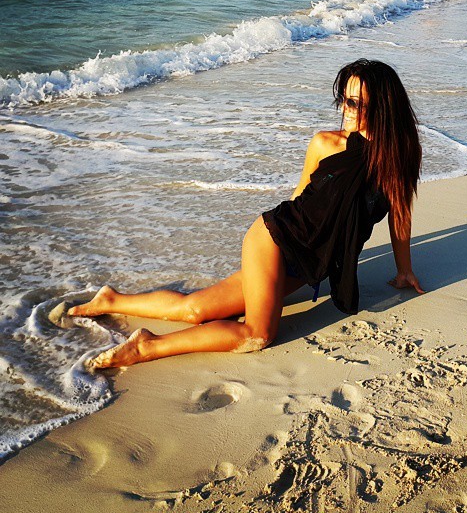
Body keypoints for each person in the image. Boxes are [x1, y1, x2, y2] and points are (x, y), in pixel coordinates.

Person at [69, 59, 425, 368]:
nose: (344, 108)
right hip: (276, 239)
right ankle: (147, 346)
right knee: (258, 334)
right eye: (343, 99)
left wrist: (404, 270)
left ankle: (111, 300)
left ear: (383, 106)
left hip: (309, 258)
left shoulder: (400, 156)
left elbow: (400, 214)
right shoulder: (325, 143)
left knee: (195, 310)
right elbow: (300, 197)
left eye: (354, 102)